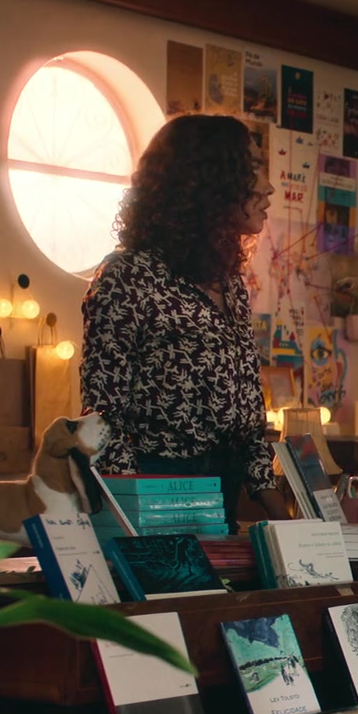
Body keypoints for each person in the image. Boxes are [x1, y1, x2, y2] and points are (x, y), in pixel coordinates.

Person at [81, 114, 290, 529]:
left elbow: (248, 424)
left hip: (222, 498)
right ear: (208, 183)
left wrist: (285, 518)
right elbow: (103, 419)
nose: (268, 187)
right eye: (252, 168)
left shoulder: (228, 283)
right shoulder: (129, 276)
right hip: (153, 494)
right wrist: (139, 520)